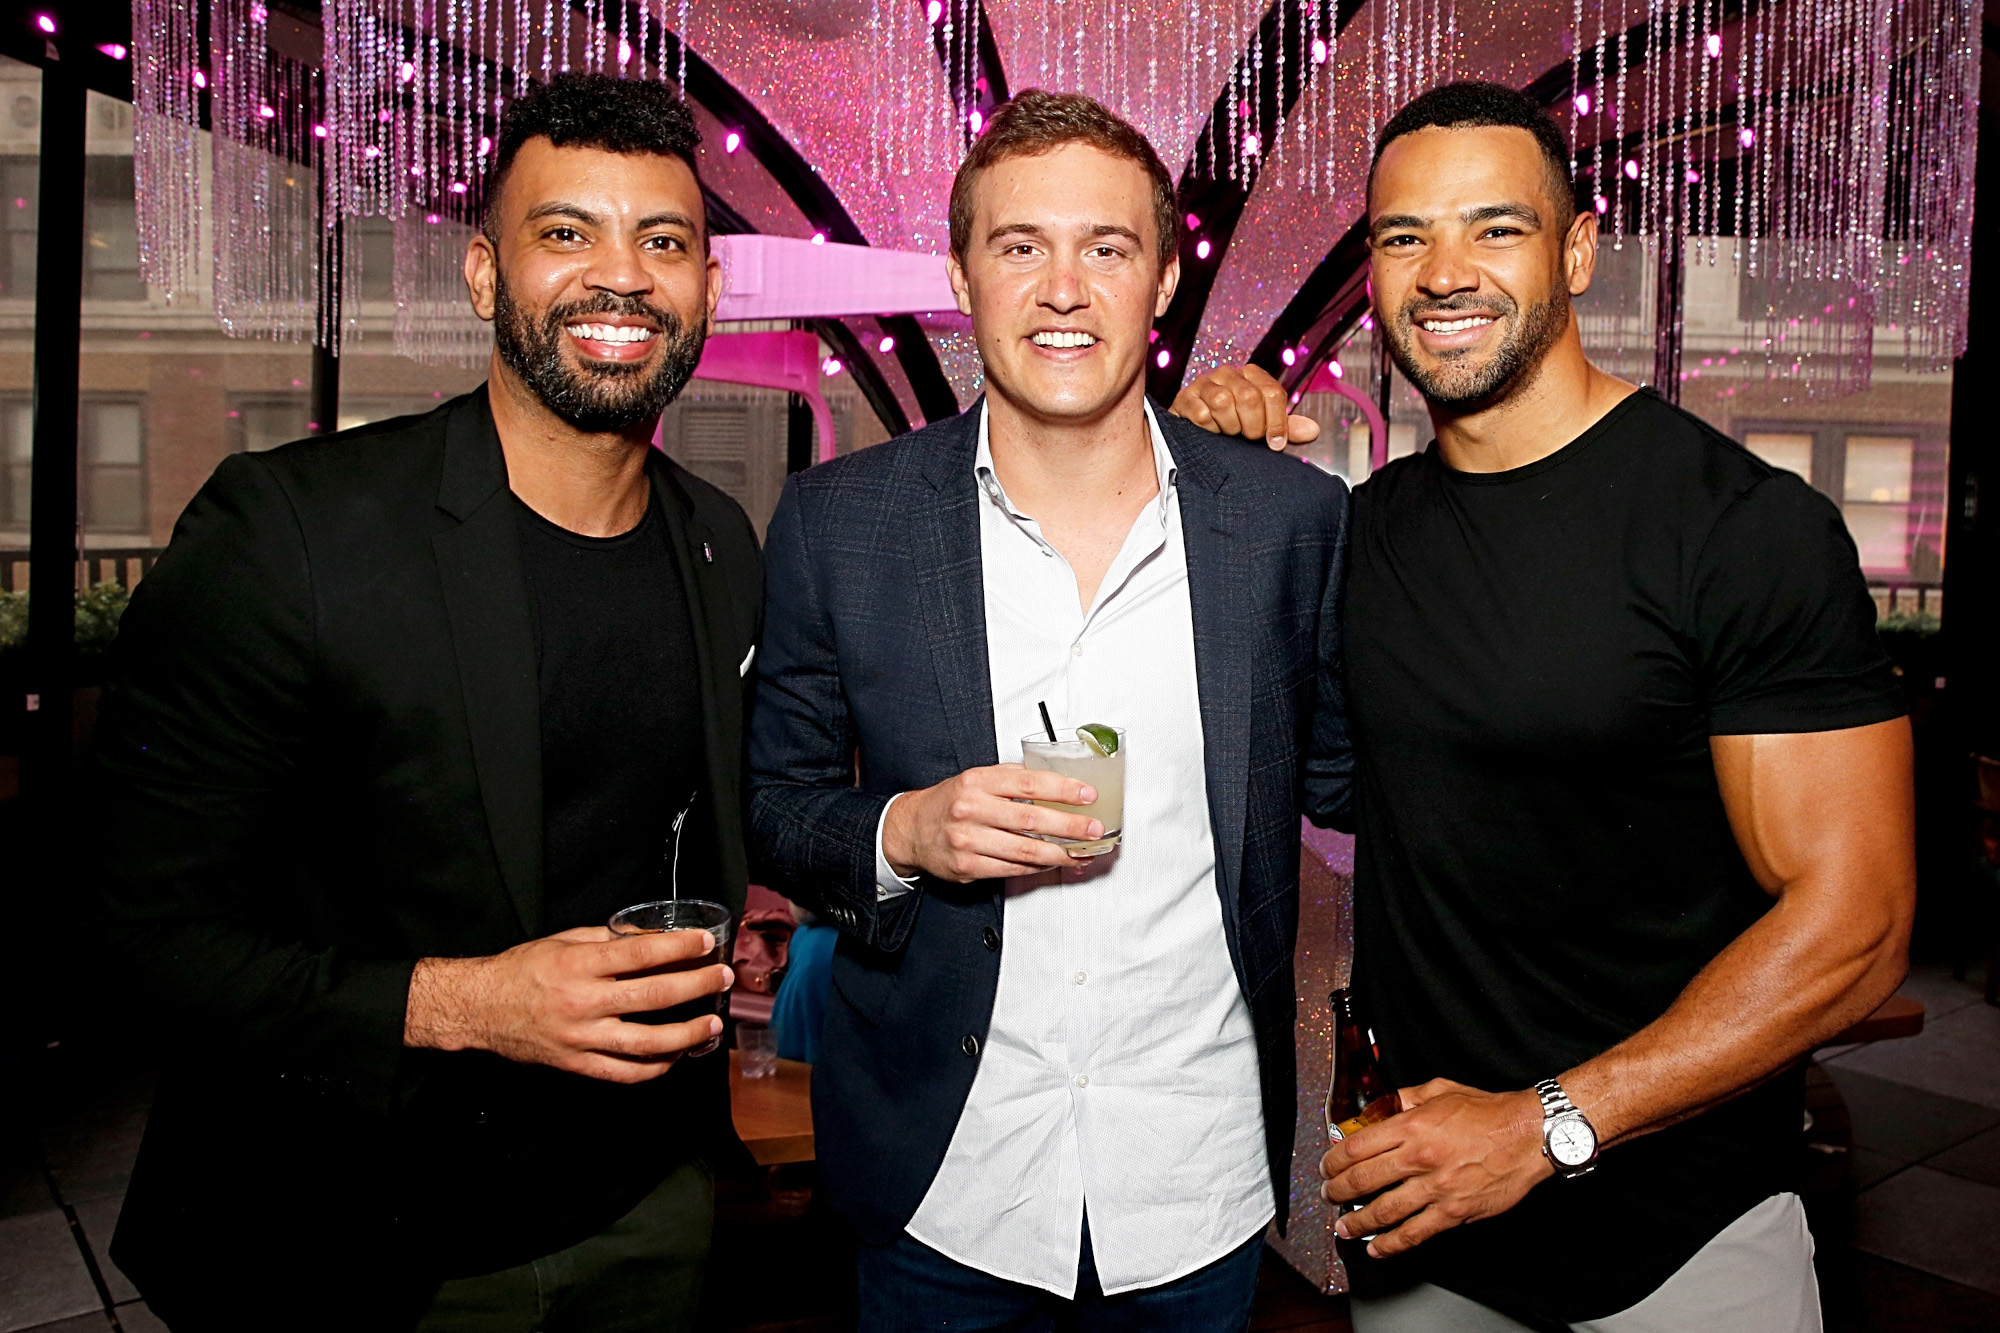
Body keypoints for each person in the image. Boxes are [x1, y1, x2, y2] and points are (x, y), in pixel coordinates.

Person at [1173, 81, 1914, 1332]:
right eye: (1405, 237)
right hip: (1425, 1224)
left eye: (1493, 228)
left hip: (1683, 1239)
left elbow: (1856, 926)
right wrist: (1212, 474)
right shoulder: (1361, 537)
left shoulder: (1738, 530)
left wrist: (1543, 1123)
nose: (1444, 271)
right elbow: (1313, 771)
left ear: (1573, 249)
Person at [82, 73, 759, 1332]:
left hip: (646, 1210)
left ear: (709, 291)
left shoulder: (718, 541)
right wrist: (466, 1002)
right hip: (353, 1241)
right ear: (482, 274)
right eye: (566, 233)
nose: (621, 277)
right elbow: (134, 938)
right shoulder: (290, 531)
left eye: (661, 241)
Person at [746, 90, 1352, 1329]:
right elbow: (771, 807)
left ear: (1163, 283)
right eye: (1020, 246)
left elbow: (1355, 779)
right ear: (964, 274)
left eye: (1106, 248)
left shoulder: (1285, 523)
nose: (1062, 288)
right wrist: (902, 834)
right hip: (943, 1181)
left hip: (1191, 1185)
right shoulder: (838, 523)